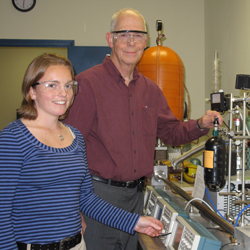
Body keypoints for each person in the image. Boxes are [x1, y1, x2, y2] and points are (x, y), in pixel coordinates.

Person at [64, 8, 223, 250]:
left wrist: (200, 124)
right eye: (123, 34)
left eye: (137, 35)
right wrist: (74, 207)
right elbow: (69, 150)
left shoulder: (150, 90)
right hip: (98, 199)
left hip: (136, 197)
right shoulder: (87, 84)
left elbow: (171, 132)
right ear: (110, 39)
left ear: (145, 41)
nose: (131, 42)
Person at [0, 53, 164, 250]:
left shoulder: (75, 137)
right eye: (52, 85)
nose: (63, 93)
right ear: (32, 91)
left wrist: (135, 222)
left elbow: (87, 199)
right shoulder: (13, 138)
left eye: (68, 85)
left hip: (77, 245)